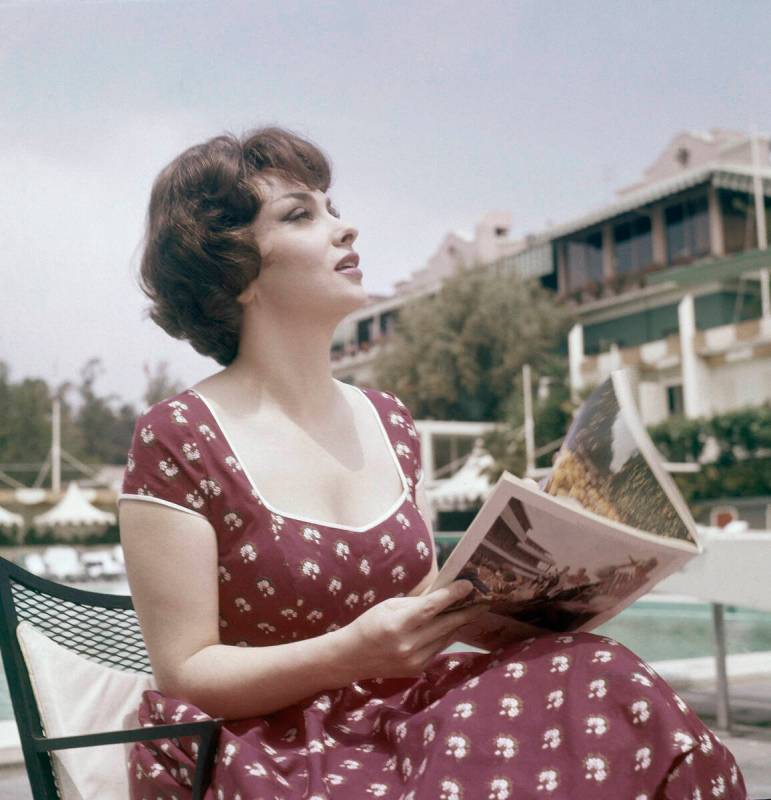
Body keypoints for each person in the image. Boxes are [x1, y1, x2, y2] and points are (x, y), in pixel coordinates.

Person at [118, 126, 747, 799]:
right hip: (270, 743)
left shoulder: (391, 422)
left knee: (603, 676)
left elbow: (418, 603)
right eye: (301, 214)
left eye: (332, 207)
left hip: (405, 713)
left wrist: (541, 590)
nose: (345, 228)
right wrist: (350, 654)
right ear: (231, 272)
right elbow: (184, 672)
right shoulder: (178, 437)